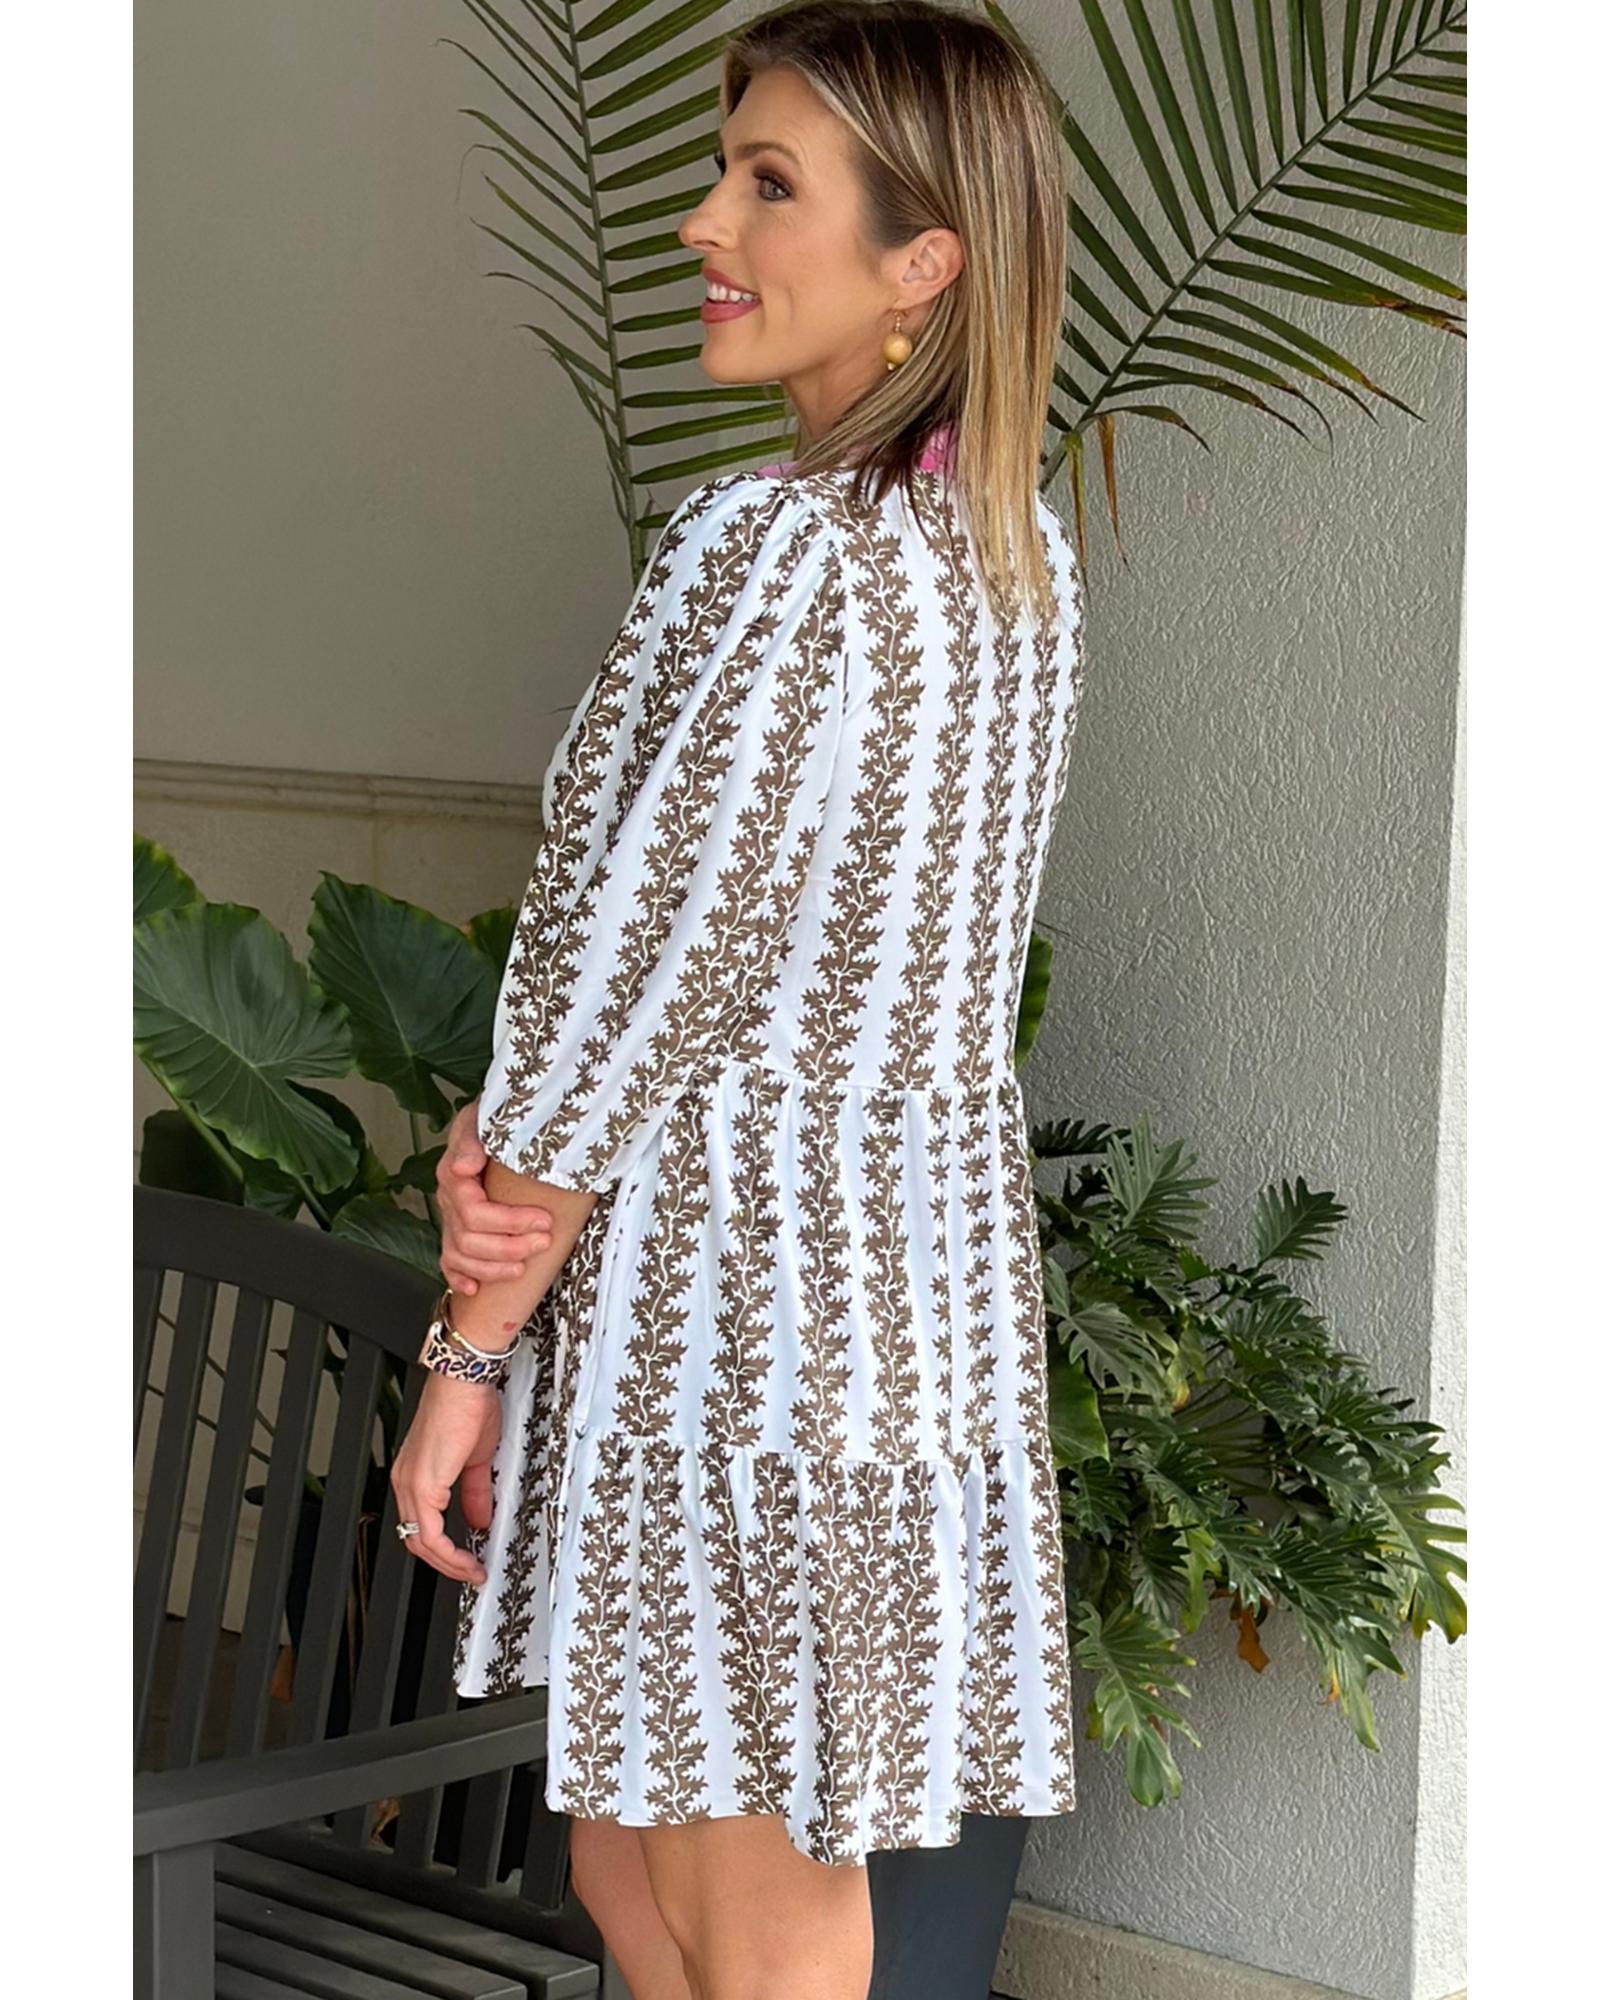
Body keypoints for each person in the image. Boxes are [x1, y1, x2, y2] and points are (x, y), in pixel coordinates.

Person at [390, 4, 1085, 1995]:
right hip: (901, 1314)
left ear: (923, 261)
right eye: (725, 169)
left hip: (737, 1328)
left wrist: (471, 1340)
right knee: (652, 1881)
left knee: (730, 1914)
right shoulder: (1010, 555)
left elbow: (635, 980)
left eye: (769, 184)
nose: (705, 221)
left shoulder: (777, 548)